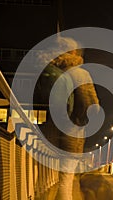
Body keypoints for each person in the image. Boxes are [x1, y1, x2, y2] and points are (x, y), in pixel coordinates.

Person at [35, 37, 100, 200]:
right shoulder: (80, 74)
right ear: (73, 52)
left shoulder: (48, 70)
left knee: (41, 180)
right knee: (65, 181)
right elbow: (91, 106)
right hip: (70, 135)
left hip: (46, 131)